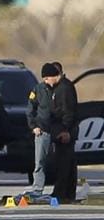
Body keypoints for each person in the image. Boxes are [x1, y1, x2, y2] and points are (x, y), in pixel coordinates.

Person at [48, 62, 78, 203]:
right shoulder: (60, 87)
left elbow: (68, 112)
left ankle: (62, 192)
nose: (46, 81)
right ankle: (67, 193)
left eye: (48, 77)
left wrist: (65, 130)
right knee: (67, 163)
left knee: (64, 164)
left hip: (64, 131)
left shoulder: (64, 89)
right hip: (62, 130)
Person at [25, 63, 57, 196]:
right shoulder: (37, 90)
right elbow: (30, 110)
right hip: (42, 130)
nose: (53, 79)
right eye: (51, 76)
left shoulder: (59, 89)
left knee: (59, 161)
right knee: (39, 161)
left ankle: (61, 188)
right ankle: (37, 189)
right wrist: (34, 127)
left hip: (57, 129)